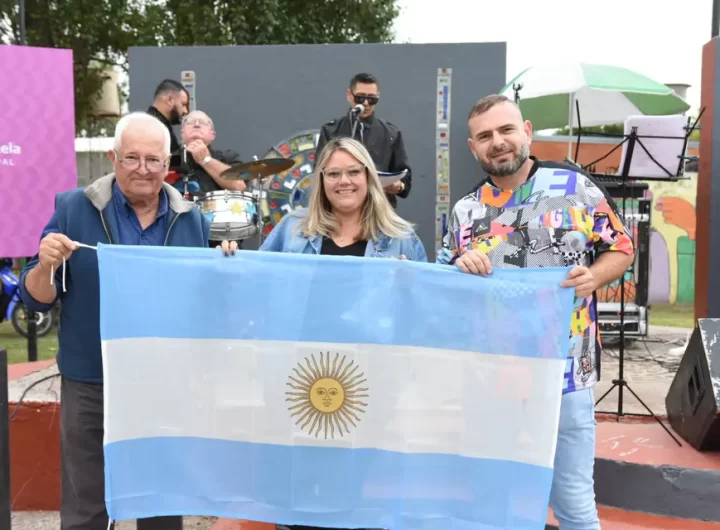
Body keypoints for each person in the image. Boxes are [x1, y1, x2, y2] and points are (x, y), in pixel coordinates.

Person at [439, 94, 635, 530]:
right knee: (495, 501)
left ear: (526, 131)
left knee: (575, 506)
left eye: (506, 130)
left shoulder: (576, 187)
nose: (498, 142)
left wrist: (596, 276)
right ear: (473, 148)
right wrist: (458, 264)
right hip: (494, 376)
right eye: (485, 136)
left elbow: (621, 247)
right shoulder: (464, 211)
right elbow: (446, 276)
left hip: (567, 371)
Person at [18, 112, 210, 530]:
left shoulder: (191, 219)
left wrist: (224, 264)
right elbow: (36, 299)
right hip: (91, 379)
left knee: (160, 504)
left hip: (162, 381)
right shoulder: (72, 208)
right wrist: (46, 264)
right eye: (132, 158)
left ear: (168, 163)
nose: (143, 169)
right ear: (113, 158)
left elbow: (202, 303)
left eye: (153, 160)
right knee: (86, 504)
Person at [222, 136, 426, 261]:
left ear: (368, 177)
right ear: (322, 181)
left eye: (354, 172)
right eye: (333, 174)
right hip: (303, 333)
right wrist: (228, 257)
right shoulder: (292, 227)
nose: (344, 181)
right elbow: (257, 280)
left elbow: (422, 306)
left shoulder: (402, 238)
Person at [315, 73, 412, 210]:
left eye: (372, 99)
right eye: (360, 98)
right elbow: (319, 173)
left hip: (378, 210)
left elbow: (405, 180)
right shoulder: (331, 131)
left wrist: (398, 186)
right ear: (349, 95)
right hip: (339, 209)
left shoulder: (391, 133)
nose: (366, 103)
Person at [178, 110, 246, 197]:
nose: (197, 125)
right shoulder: (169, 159)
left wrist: (206, 160)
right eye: (191, 122)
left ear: (212, 135)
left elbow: (240, 187)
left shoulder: (228, 157)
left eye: (203, 122)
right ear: (182, 134)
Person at [146, 79, 190, 169]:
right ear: (170, 100)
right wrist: (189, 157)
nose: (186, 111)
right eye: (183, 104)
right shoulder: (153, 128)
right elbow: (157, 162)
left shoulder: (156, 125)